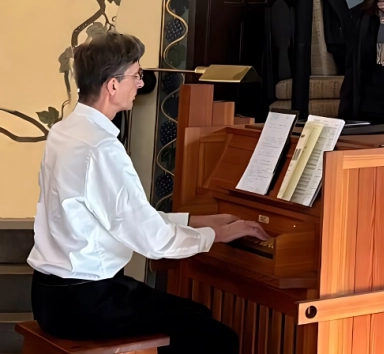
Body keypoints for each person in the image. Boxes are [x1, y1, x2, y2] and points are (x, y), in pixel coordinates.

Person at [29, 31, 270, 353]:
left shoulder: (65, 131)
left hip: (49, 294)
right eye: (136, 76)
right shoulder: (101, 148)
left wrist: (199, 219)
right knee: (212, 334)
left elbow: (117, 215)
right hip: (86, 301)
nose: (140, 84)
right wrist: (217, 237)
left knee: (192, 318)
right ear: (113, 85)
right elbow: (152, 241)